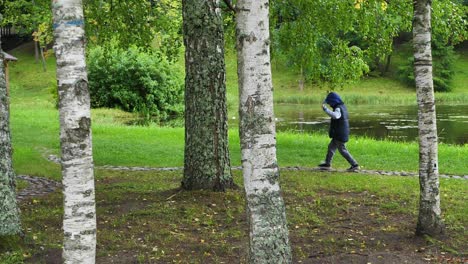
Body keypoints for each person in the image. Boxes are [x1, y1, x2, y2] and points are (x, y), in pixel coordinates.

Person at [318, 92, 359, 171]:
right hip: (340, 132)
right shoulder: (342, 106)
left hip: (340, 133)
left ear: (333, 101)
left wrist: (326, 110)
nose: (329, 104)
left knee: (342, 150)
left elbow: (336, 116)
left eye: (330, 102)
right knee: (331, 147)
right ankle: (327, 163)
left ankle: (354, 165)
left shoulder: (338, 108)